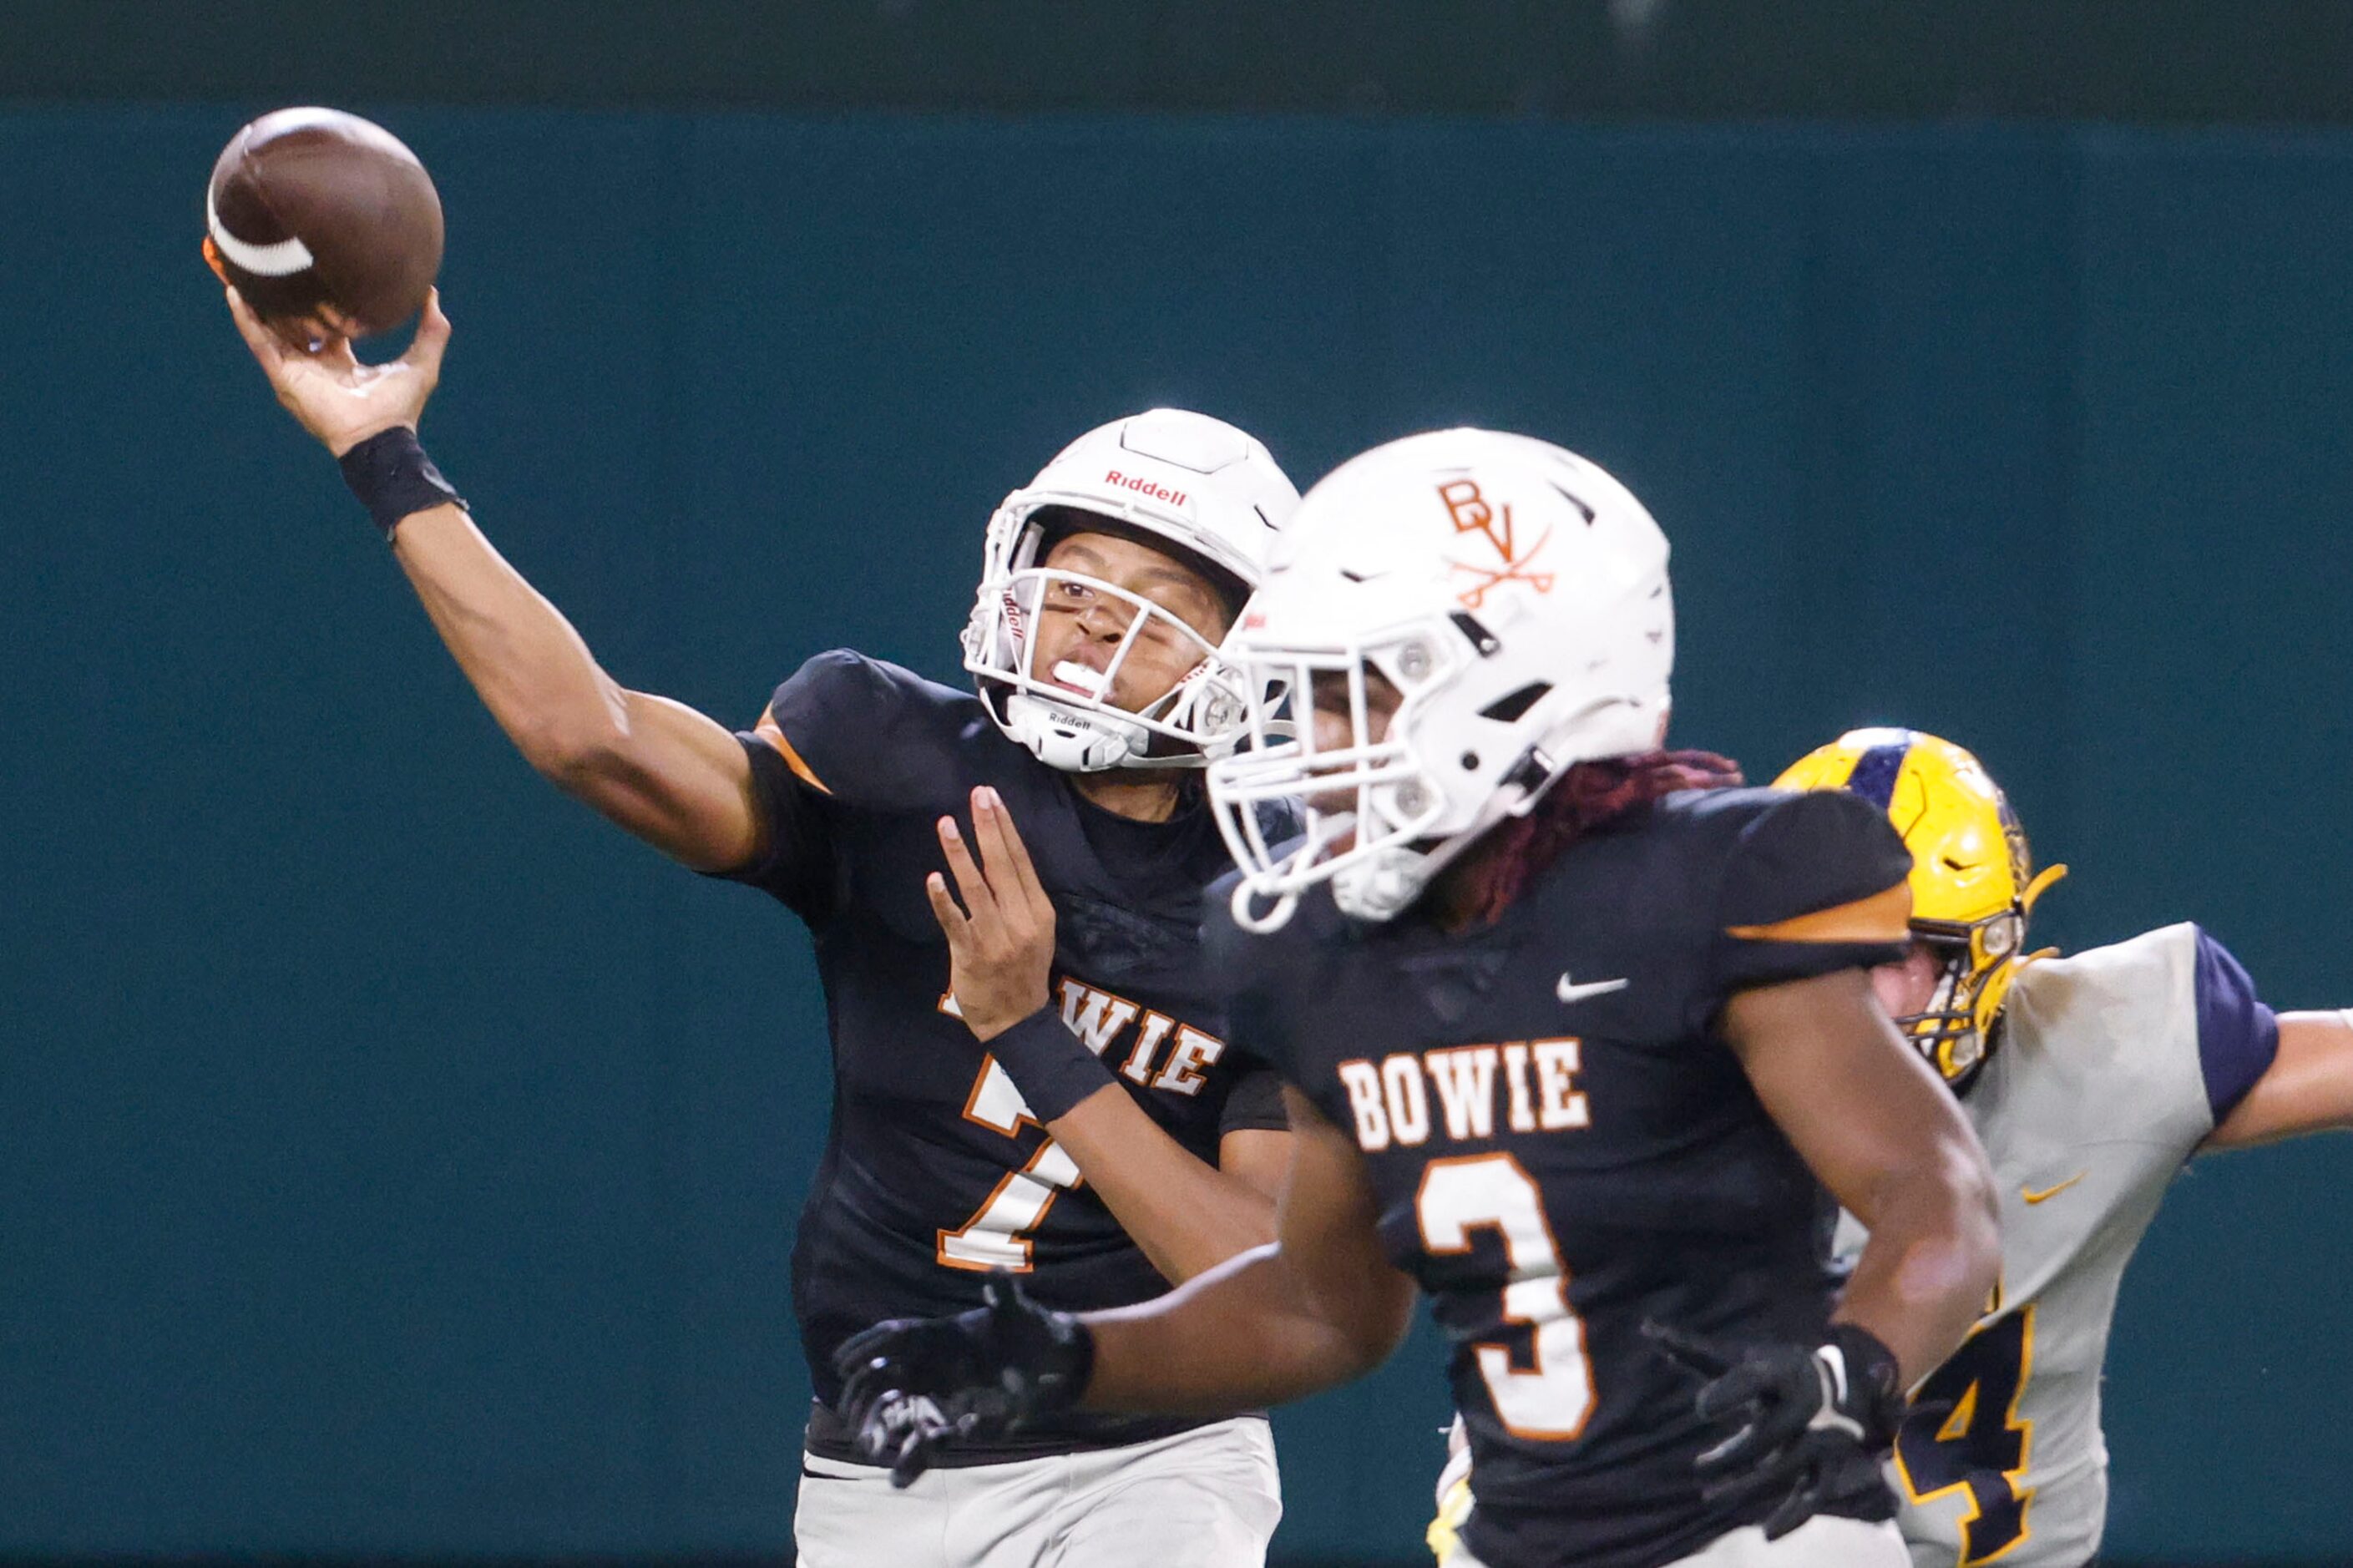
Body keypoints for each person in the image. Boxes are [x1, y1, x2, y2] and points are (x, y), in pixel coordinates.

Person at [222, 286, 1305, 1568]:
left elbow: (1272, 1285)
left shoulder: (1284, 893)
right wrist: (381, 456)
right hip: (879, 1455)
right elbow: (593, 737)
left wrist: (1032, 1032)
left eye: (1154, 596)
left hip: (1151, 1458)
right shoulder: (894, 755)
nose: (1089, 621)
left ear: (1249, 650)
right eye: (1071, 579)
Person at [832, 429, 2006, 1568]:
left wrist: (1854, 1367)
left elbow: (1934, 1189)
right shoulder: (1318, 952)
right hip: (1510, 1535)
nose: (1315, 741)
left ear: (1530, 690)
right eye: (1309, 698)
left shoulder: (1709, 886)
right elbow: (1319, 1306)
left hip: (1758, 1531)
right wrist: (1060, 1355)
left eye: (1360, 696)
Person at [1774, 727, 2353, 1568]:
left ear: (1986, 951)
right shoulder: (1679, 1090)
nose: (1847, 991)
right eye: (1817, 947)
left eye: (1895, 952)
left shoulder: (2098, 1054)